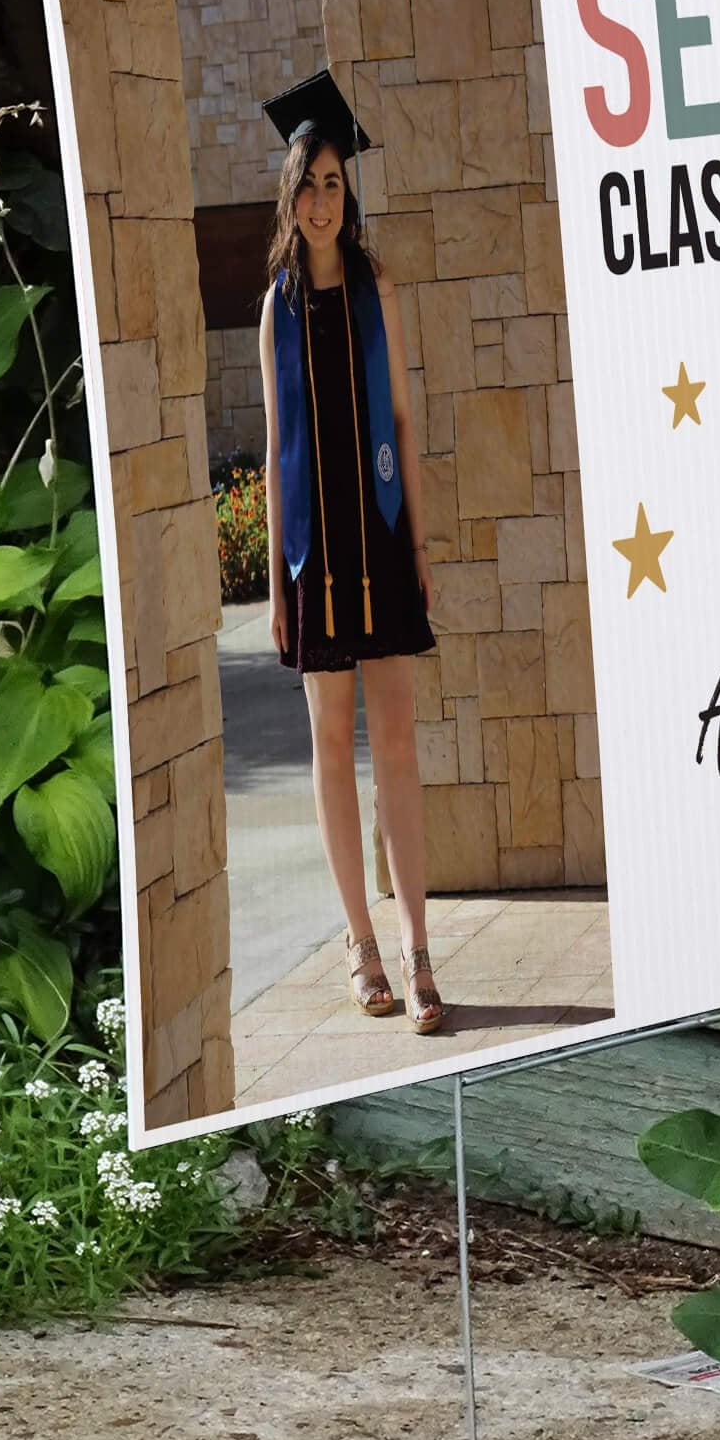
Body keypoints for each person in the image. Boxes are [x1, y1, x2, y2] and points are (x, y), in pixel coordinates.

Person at [257, 72, 444, 1035]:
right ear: (289, 196)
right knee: (333, 748)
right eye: (308, 183)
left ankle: (417, 948)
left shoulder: (379, 292)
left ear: (346, 193)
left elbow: (402, 420)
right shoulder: (277, 308)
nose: (322, 199)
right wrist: (278, 588)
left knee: (398, 745)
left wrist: (415, 544)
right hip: (314, 557)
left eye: (334, 181)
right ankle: (359, 941)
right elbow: (279, 445)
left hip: (374, 536)